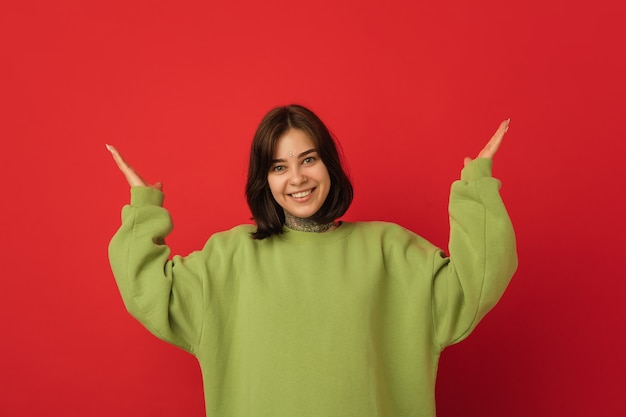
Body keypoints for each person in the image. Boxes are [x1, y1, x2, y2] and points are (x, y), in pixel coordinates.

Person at [107, 104, 517, 417]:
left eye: (308, 159)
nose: (297, 178)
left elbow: (475, 281)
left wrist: (476, 191)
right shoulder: (229, 257)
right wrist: (144, 210)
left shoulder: (390, 250)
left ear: (328, 165)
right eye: (279, 167)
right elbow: (148, 289)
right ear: (265, 181)